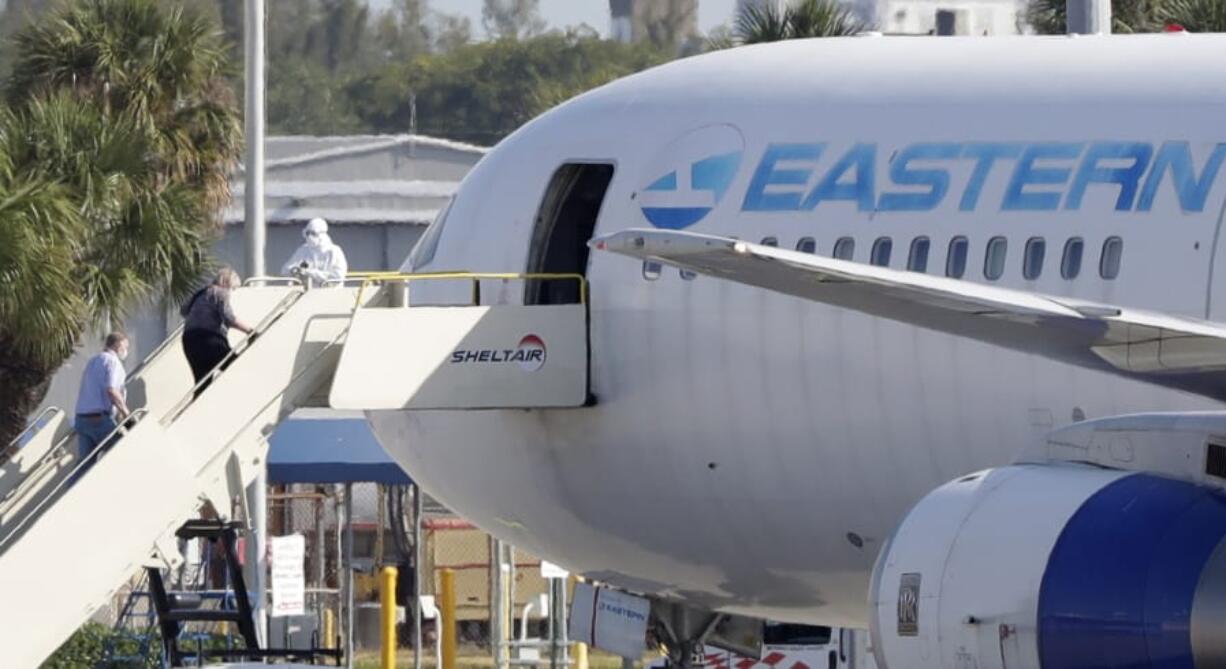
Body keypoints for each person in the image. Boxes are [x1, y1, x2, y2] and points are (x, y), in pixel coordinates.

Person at [181, 267, 254, 396]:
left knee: (202, 381)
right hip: (208, 338)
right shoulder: (221, 292)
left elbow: (184, 310)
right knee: (234, 365)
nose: (232, 292)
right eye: (233, 288)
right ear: (227, 283)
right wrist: (250, 331)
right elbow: (228, 317)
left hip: (189, 339)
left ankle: (198, 409)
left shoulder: (201, 293)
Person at [73, 332, 132, 475]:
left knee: (85, 466)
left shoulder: (93, 361)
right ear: (118, 346)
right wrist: (127, 414)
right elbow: (111, 390)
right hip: (98, 419)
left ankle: (74, 489)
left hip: (81, 419)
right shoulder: (113, 362)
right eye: (125, 347)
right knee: (124, 452)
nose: (126, 351)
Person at [281, 217, 348, 287]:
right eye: (307, 233)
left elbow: (338, 276)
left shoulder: (334, 252)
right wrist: (294, 270)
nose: (310, 237)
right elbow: (284, 270)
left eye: (313, 234)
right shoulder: (303, 250)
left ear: (322, 235)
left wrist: (311, 273)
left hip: (330, 294)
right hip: (305, 294)